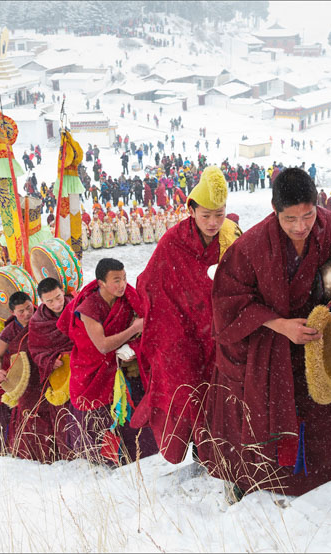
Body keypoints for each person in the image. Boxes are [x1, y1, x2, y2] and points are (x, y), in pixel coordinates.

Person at [198, 167, 331, 502]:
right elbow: (228, 304)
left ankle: (324, 467)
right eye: (290, 219)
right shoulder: (250, 247)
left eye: (307, 215)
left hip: (313, 342)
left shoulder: (327, 226)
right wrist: (281, 325)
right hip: (269, 346)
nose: (301, 227)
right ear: (275, 211)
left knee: (321, 405)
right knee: (267, 414)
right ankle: (258, 475)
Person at [132, 166, 239, 464]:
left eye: (219, 214)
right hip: (180, 332)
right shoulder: (172, 243)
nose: (214, 222)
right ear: (191, 210)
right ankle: (195, 448)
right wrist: (172, 325)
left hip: (218, 331)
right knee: (186, 390)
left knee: (222, 392)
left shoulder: (230, 237)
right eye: (206, 215)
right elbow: (149, 284)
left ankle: (216, 452)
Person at [57, 258, 158, 464]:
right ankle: (105, 459)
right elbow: (102, 346)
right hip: (92, 369)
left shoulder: (126, 298)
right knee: (99, 420)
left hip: (120, 367)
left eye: (123, 278)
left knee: (131, 413)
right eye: (116, 280)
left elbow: (148, 322)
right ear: (101, 282)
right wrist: (133, 329)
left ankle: (136, 455)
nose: (122, 285)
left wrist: (134, 345)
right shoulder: (89, 308)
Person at [28, 278, 77, 461]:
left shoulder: (77, 308)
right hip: (59, 374)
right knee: (64, 414)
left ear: (62, 291)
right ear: (41, 300)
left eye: (58, 297)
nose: (57, 304)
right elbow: (35, 350)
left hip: (81, 367)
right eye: (50, 301)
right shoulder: (37, 321)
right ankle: (68, 455)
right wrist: (49, 361)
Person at [0, 291, 35, 456]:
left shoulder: (42, 319)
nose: (27, 314)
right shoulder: (9, 331)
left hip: (32, 375)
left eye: (29, 308)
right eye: (21, 312)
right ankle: (7, 450)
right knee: (6, 415)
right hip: (11, 375)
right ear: (13, 313)